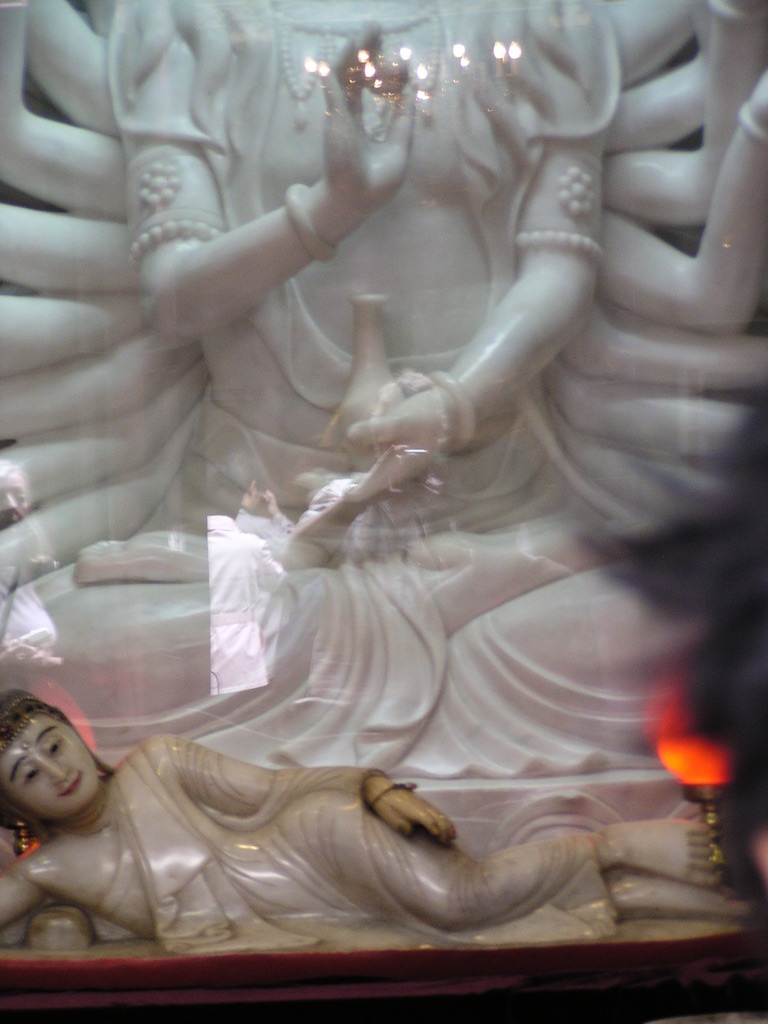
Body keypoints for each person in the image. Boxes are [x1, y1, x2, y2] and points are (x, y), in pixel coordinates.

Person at [0, 690, 740, 953]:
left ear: (76, 733)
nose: (56, 773)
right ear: (15, 807)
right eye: (28, 774)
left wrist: (377, 789)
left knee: (465, 902)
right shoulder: (51, 869)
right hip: (303, 912)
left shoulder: (159, 763)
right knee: (498, 915)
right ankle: (707, 900)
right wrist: (56, 922)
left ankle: (617, 844)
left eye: (53, 745)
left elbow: (275, 789)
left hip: (318, 840)